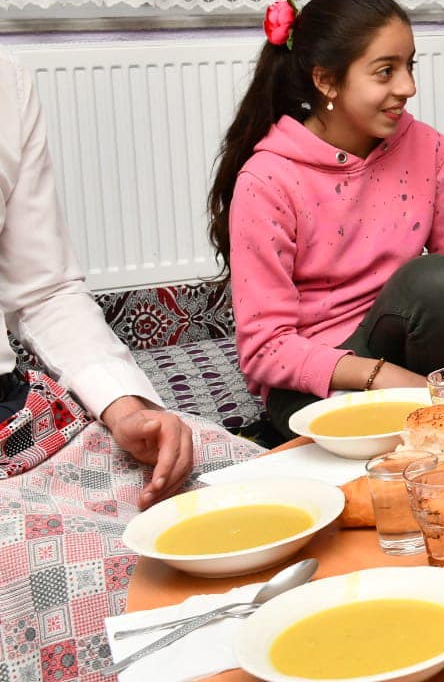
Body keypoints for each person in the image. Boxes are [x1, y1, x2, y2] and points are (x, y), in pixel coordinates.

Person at [0, 50, 261, 680]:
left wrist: (125, 407)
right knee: (125, 595)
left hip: (20, 419)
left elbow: (44, 290)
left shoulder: (6, 82)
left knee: (263, 490)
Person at [208, 0, 444, 440]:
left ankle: (432, 419)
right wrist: (383, 378)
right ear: (327, 81)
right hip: (316, 380)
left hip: (407, 353)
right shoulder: (267, 180)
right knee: (358, 452)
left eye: (409, 66)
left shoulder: (429, 149)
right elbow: (265, 348)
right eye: (385, 72)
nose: (407, 87)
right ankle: (407, 422)